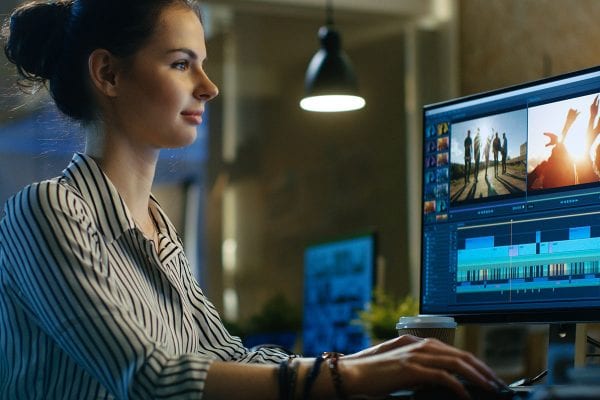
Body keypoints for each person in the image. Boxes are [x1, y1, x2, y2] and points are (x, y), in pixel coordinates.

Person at [0, 1, 503, 398]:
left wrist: (372, 360)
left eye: (204, 65)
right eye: (182, 64)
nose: (210, 87)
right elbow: (149, 378)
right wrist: (349, 378)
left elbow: (225, 355)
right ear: (108, 74)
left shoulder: (157, 228)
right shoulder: (45, 209)